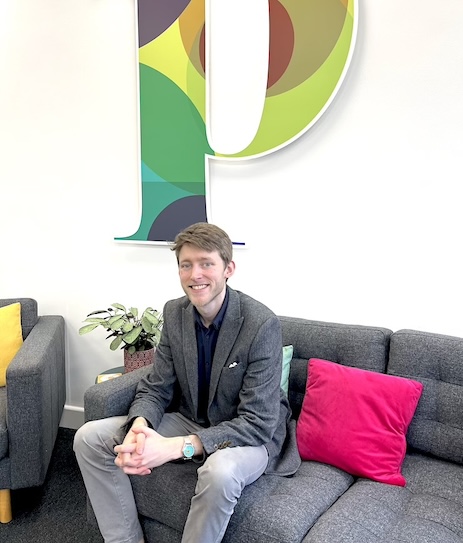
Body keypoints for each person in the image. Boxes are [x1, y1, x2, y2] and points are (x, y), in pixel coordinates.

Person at [74, 222, 300, 543]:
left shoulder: (261, 324)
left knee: (219, 472)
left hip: (250, 437)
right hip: (191, 417)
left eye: (206, 263)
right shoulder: (175, 313)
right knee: (88, 437)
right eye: (186, 265)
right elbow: (157, 385)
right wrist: (140, 425)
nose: (195, 275)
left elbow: (258, 423)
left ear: (228, 269)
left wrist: (173, 447)